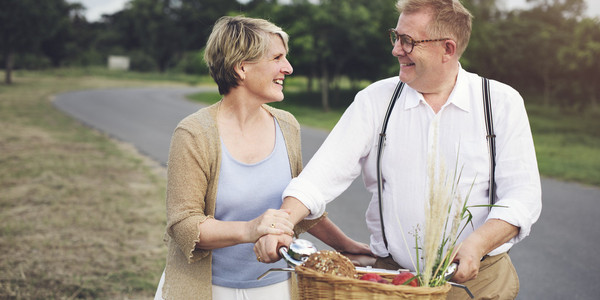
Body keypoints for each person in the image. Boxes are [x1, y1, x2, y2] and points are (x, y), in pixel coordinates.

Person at [254, 0, 542, 299]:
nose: (396, 49)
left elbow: (523, 196)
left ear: (448, 49)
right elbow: (320, 177)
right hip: (393, 279)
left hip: (478, 279)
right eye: (396, 36)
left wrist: (478, 243)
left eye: (408, 41)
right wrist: (282, 221)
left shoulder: (501, 102)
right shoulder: (375, 100)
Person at [155, 15, 370, 300]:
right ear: (242, 67)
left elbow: (298, 207)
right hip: (207, 289)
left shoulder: (287, 125)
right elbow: (184, 225)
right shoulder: (194, 134)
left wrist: (346, 246)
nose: (288, 68)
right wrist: (251, 229)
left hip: (276, 287)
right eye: (277, 58)